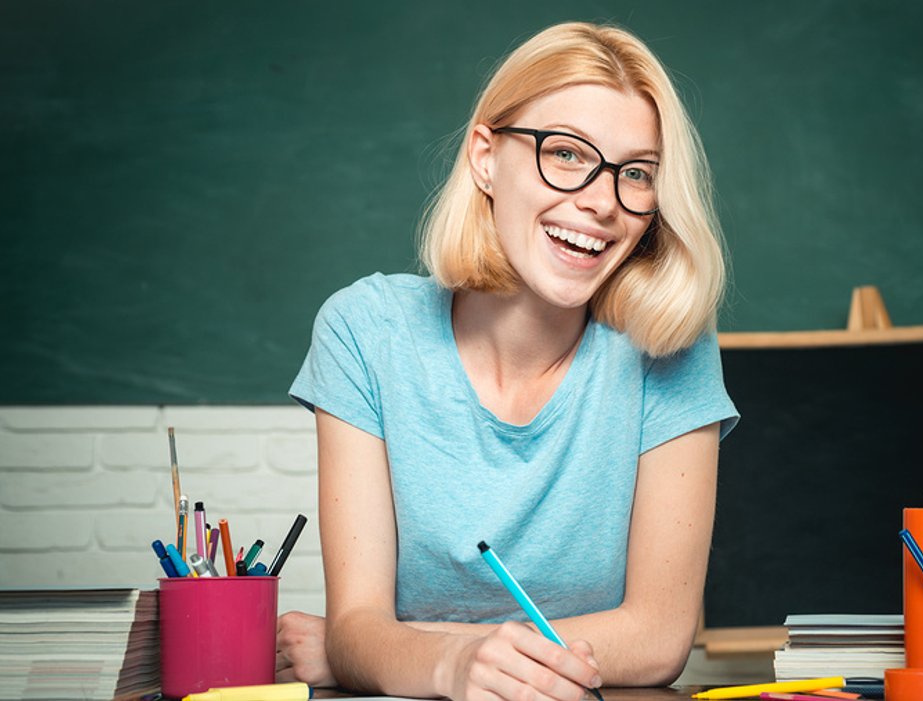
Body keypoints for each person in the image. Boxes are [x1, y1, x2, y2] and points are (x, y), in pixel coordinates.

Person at [277, 21, 738, 701]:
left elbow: (657, 639)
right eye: (566, 154)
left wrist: (408, 646)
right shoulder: (364, 332)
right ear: (485, 157)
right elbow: (357, 628)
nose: (601, 202)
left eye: (635, 173)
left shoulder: (669, 348)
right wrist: (430, 660)